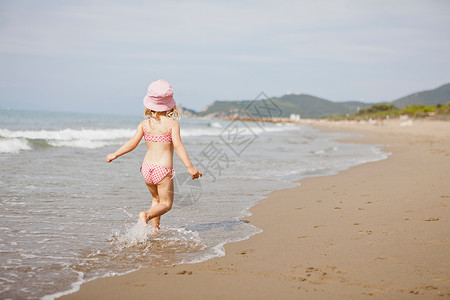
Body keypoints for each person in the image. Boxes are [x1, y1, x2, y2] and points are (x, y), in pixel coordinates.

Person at [106, 79, 202, 229]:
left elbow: (132, 143)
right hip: (162, 170)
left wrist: (116, 154)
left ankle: (155, 231)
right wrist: (189, 167)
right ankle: (146, 215)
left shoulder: (144, 124)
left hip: (146, 169)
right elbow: (178, 146)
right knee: (166, 204)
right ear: (170, 104)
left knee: (156, 199)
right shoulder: (171, 124)